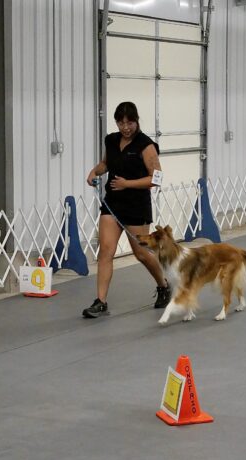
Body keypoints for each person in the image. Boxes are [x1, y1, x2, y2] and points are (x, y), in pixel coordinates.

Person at [82, 101, 171, 318]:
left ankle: (163, 285)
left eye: (129, 122)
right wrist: (95, 172)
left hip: (136, 205)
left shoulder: (146, 145)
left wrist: (127, 184)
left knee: (140, 252)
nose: (125, 127)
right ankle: (100, 301)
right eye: (121, 123)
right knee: (106, 250)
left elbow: (157, 178)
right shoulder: (111, 140)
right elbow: (106, 163)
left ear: (136, 121)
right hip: (112, 204)